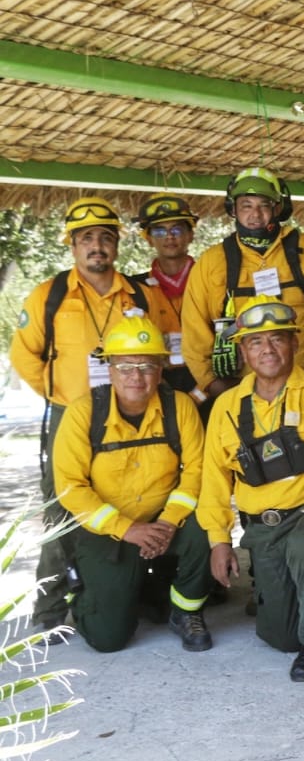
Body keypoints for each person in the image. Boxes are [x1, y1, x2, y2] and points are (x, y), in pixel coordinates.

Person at [10, 197, 182, 633]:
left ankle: (138, 591)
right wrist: (65, 398)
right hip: (72, 416)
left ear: (117, 246)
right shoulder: (48, 296)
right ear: (72, 246)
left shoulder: (144, 294)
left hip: (138, 411)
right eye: (86, 238)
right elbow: (25, 356)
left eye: (105, 238)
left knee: (147, 493)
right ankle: (50, 609)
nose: (96, 247)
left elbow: (171, 345)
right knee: (62, 509)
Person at [198, 297, 304, 681]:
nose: (267, 350)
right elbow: (215, 477)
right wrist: (219, 541)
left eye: (277, 339)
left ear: (295, 343)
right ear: (242, 351)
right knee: (281, 636)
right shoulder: (227, 405)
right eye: (256, 342)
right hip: (262, 527)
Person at [51, 315, 210, 653]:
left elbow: (197, 469)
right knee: (108, 639)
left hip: (164, 521)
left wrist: (168, 521)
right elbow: (70, 487)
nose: (136, 376)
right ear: (109, 369)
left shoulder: (179, 407)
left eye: (147, 366)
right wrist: (126, 529)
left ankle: (185, 612)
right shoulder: (82, 414)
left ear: (161, 369)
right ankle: (88, 596)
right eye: (125, 366)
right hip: (109, 529)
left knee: (207, 524)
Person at [181, 167, 304, 401]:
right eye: (246, 205)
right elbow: (194, 334)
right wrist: (214, 385)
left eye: (263, 205)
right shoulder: (211, 262)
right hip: (240, 390)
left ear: (277, 208)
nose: (255, 214)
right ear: (233, 209)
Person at [131, 192, 199, 312]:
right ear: (149, 239)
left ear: (190, 235)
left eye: (176, 230)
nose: (169, 236)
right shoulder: (136, 288)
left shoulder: (209, 279)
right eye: (159, 232)